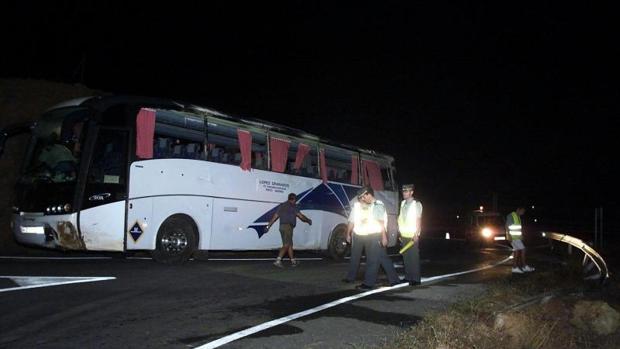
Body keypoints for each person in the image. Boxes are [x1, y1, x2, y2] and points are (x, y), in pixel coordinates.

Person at [346, 186, 400, 289]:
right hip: (371, 235)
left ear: (369, 195)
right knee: (382, 258)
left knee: (372, 260)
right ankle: (395, 279)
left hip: (377, 235)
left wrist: (384, 237)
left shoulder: (377, 205)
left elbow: (381, 222)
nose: (362, 199)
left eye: (363, 197)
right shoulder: (367, 205)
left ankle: (368, 283)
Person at [266, 193, 312, 267]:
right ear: (293, 199)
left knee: (290, 244)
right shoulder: (293, 206)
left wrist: (268, 226)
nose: (295, 201)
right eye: (295, 200)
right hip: (288, 227)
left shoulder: (282, 205)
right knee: (286, 245)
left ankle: (293, 261)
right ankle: (278, 260)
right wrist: (308, 220)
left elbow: (275, 216)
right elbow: (301, 216)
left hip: (282, 227)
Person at [397, 184, 423, 286]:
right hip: (404, 235)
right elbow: (401, 219)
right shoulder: (403, 203)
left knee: (414, 257)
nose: (404, 193)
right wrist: (400, 233)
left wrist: (416, 234)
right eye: (403, 191)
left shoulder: (416, 204)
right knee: (406, 257)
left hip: (413, 235)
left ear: (411, 192)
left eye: (406, 191)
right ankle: (408, 277)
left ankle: (416, 279)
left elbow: (418, 220)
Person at [505, 206, 534, 273]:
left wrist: (521, 236)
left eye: (524, 212)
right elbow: (506, 226)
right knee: (523, 249)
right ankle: (524, 266)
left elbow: (517, 229)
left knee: (517, 251)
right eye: (522, 211)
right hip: (513, 237)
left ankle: (514, 268)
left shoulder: (518, 217)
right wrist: (508, 236)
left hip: (516, 237)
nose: (523, 213)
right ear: (518, 209)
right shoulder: (512, 215)